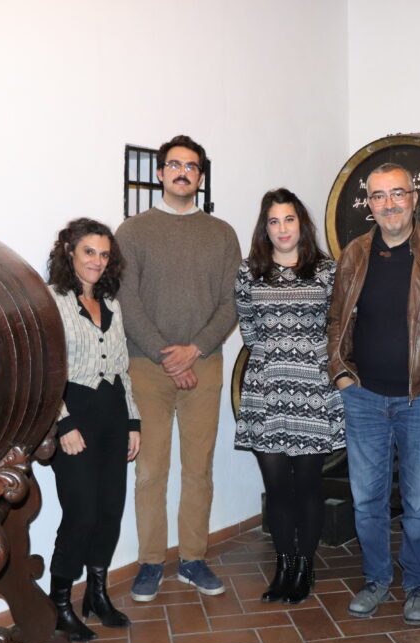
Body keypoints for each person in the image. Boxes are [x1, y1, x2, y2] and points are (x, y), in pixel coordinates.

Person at [114, 135, 241, 602]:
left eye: (191, 166)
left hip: (204, 364)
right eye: (174, 165)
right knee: (149, 470)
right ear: (161, 173)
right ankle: (150, 563)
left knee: (198, 468)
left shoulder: (222, 233)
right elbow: (126, 299)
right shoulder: (133, 231)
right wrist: (170, 355)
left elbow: (231, 303)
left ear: (200, 177)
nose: (182, 172)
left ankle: (192, 559)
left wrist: (196, 350)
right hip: (147, 366)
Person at [326, 162, 420, 625]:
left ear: (414, 198)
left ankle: (416, 583)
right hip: (365, 397)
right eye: (379, 196)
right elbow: (338, 318)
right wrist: (340, 374)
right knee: (367, 499)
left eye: (398, 193)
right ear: (369, 205)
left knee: (419, 503)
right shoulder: (356, 252)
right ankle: (376, 578)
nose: (390, 203)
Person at [234, 188, 344, 605]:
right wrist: (274, 356)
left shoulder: (326, 272)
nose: (282, 229)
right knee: (277, 486)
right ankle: (283, 565)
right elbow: (247, 327)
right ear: (266, 227)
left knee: (308, 485)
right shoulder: (249, 272)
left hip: (313, 390)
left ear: (302, 224)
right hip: (266, 389)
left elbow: (337, 326)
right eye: (274, 221)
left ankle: (305, 565)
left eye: (289, 220)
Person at [46, 218, 142, 642]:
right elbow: (46, 373)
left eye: (104, 255)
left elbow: (121, 367)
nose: (97, 262)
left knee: (109, 511)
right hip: (75, 416)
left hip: (113, 415)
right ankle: (60, 604)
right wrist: (61, 422)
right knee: (80, 514)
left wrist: (134, 421)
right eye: (89, 252)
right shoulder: (51, 303)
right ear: (69, 251)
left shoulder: (112, 304)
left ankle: (97, 595)